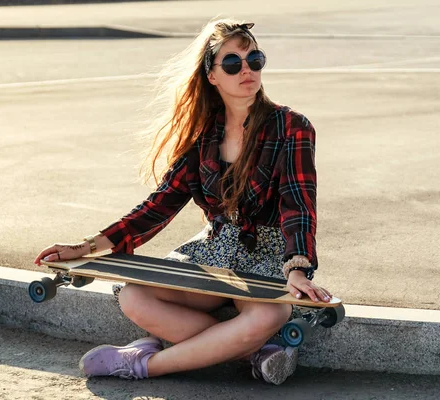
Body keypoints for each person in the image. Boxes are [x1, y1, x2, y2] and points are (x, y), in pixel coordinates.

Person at [34, 19, 332, 385]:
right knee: (134, 296)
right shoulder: (203, 133)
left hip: (268, 255)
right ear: (212, 75)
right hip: (213, 250)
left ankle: (143, 363)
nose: (247, 70)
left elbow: (298, 203)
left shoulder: (292, 126)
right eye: (233, 63)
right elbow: (160, 204)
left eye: (254, 59)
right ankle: (255, 351)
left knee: (268, 317)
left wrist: (297, 268)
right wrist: (86, 247)